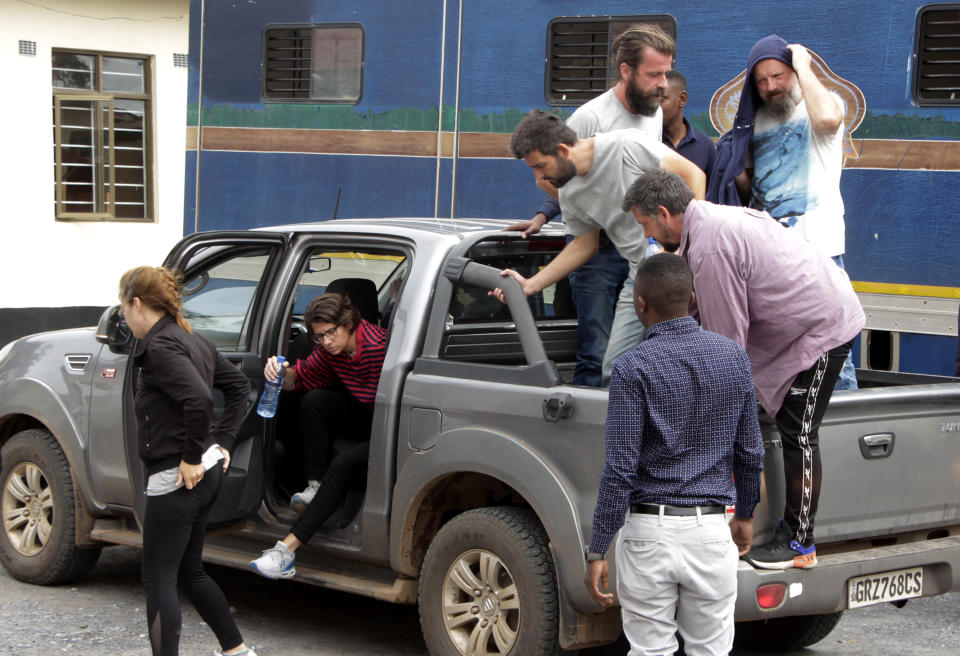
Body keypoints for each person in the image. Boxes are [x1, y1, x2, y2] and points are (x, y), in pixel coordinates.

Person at [623, 169, 866, 569]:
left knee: (799, 432)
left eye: (646, 224)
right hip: (800, 327)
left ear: (664, 213)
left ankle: (800, 543)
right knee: (776, 420)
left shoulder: (711, 247)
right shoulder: (707, 227)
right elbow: (696, 313)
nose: (649, 235)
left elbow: (726, 345)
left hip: (822, 327)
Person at [584, 253, 764, 656]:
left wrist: (598, 548)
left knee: (650, 650)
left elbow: (619, 470)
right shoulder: (733, 357)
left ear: (641, 303)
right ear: (693, 298)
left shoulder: (632, 368)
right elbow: (750, 451)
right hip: (712, 532)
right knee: (711, 649)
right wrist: (747, 514)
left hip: (649, 535)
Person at [505, 25, 675, 387]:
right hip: (602, 246)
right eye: (654, 75)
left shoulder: (652, 113)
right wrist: (544, 215)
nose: (664, 84)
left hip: (646, 248)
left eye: (666, 73)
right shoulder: (589, 120)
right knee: (598, 350)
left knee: (650, 356)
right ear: (626, 71)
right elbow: (560, 177)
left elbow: (670, 177)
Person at [497, 110, 705, 383]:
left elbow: (694, 175)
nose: (539, 178)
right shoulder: (569, 191)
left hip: (682, 263)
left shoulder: (625, 146)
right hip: (639, 275)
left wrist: (686, 249)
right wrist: (531, 285)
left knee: (689, 364)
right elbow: (585, 244)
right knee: (614, 369)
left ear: (562, 150)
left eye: (540, 166)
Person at [118, 266, 256, 656]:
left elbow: (198, 399)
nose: (124, 317)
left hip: (179, 476)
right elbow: (239, 386)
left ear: (137, 303)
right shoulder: (192, 340)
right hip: (205, 472)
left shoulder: (161, 348)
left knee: (157, 578)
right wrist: (223, 442)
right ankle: (236, 650)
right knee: (189, 570)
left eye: (123, 307)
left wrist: (192, 456)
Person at [711, 35, 858, 390]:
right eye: (761, 81)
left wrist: (804, 64)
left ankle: (845, 420)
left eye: (777, 75)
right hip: (771, 253)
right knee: (778, 347)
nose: (770, 86)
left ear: (793, 73)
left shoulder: (820, 105)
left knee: (832, 341)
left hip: (818, 248)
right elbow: (751, 192)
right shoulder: (754, 120)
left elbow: (827, 121)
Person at [248, 292, 386, 579]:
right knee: (316, 400)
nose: (325, 341)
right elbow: (300, 378)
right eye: (320, 336)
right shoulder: (329, 351)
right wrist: (278, 371)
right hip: (364, 415)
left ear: (349, 324)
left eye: (331, 333)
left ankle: (286, 550)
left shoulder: (378, 347)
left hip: (390, 426)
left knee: (343, 463)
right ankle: (315, 484)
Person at [660, 69, 717, 180]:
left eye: (662, 99)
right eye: (653, 99)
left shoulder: (705, 146)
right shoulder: (648, 142)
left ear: (682, 99)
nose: (655, 107)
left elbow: (711, 194)